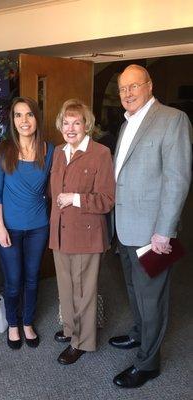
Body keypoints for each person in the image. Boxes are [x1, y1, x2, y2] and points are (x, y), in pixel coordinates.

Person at [109, 64, 192, 388]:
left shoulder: (173, 120)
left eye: (134, 86)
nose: (128, 93)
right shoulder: (126, 124)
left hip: (152, 233)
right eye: (122, 89)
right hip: (125, 228)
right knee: (133, 291)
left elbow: (177, 179)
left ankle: (148, 364)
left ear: (149, 85)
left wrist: (165, 231)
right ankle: (139, 334)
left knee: (152, 298)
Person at [49, 99, 115, 365]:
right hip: (60, 233)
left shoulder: (100, 153)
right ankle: (70, 330)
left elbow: (107, 199)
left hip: (87, 234)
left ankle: (82, 342)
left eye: (76, 122)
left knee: (84, 291)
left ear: (87, 125)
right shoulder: (57, 151)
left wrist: (76, 198)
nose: (71, 127)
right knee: (65, 287)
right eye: (66, 122)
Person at [0, 96, 53, 349]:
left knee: (32, 278)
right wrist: (0, 227)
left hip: (38, 226)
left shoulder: (50, 151)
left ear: (37, 118)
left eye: (29, 114)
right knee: (13, 281)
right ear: (12, 120)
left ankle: (28, 323)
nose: (24, 120)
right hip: (10, 228)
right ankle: (13, 324)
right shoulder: (4, 149)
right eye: (18, 115)